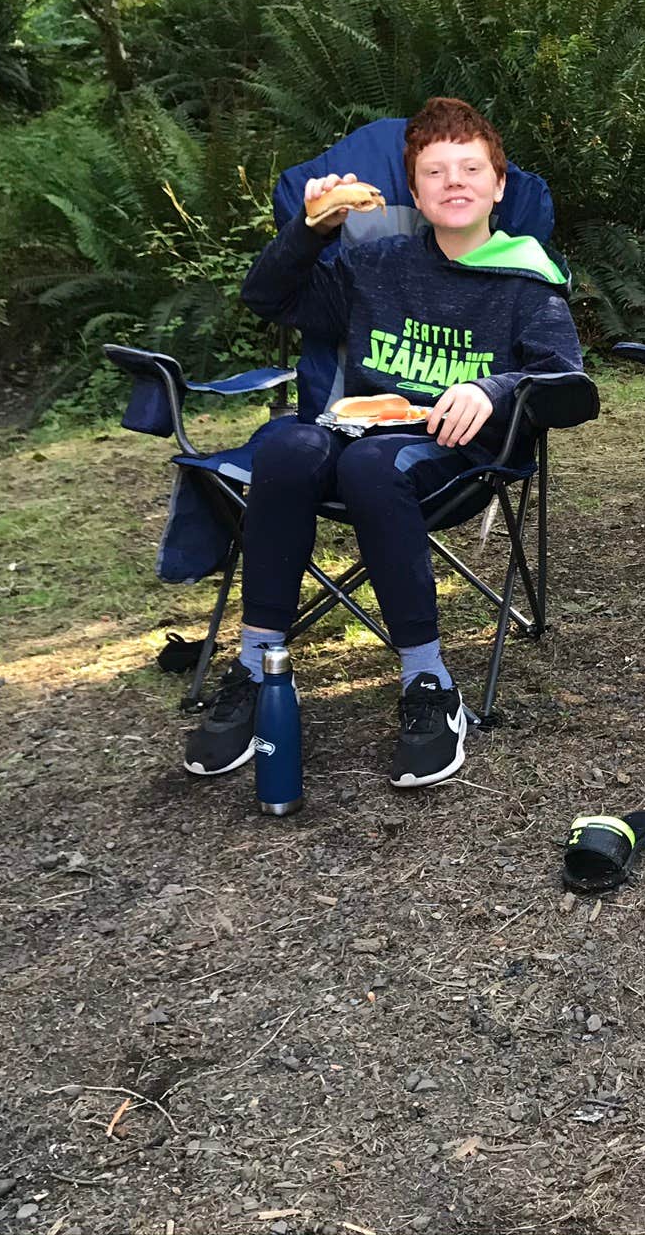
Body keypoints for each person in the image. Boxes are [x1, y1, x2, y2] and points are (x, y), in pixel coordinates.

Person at [181, 97, 581, 789]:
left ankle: (428, 684)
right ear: (415, 191)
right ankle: (257, 667)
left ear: (498, 186)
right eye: (434, 171)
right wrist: (310, 233)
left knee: (370, 464)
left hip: (456, 456)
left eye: (470, 168)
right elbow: (268, 300)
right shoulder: (379, 262)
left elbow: (566, 383)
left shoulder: (528, 279)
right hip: (355, 434)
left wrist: (494, 390)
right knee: (284, 445)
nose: (454, 181)